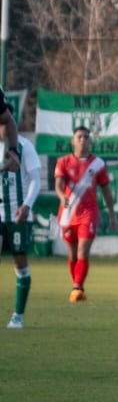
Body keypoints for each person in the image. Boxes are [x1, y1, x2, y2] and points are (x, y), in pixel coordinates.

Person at [55, 126, 116, 303]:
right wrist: (61, 197)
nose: (83, 140)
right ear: (73, 141)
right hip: (68, 213)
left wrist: (112, 214)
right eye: (79, 137)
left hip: (88, 213)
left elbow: (106, 191)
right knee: (72, 255)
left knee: (83, 249)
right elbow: (59, 185)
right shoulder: (63, 162)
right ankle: (76, 283)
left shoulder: (98, 164)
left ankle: (77, 287)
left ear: (90, 141)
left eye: (86, 137)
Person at [1, 134, 41, 328]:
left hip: (17, 214)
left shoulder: (24, 146)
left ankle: (18, 315)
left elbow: (35, 179)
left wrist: (26, 206)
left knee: (19, 262)